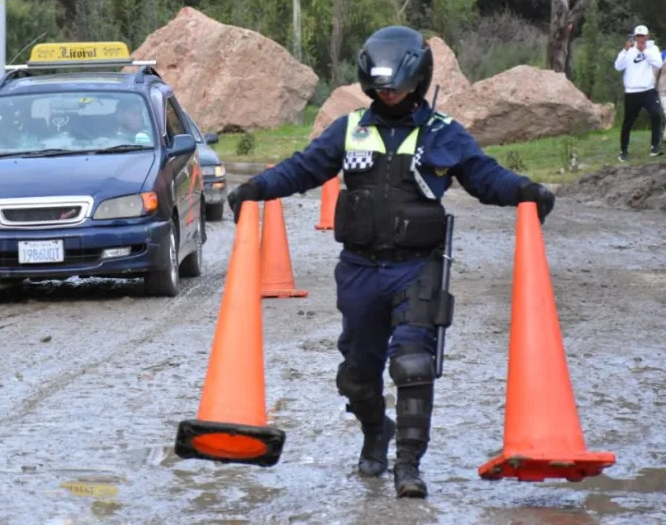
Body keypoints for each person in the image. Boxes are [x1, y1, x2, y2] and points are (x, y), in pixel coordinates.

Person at [226, 26, 555, 499]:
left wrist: (525, 192)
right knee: (357, 376)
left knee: (413, 363)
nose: (389, 92)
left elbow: (485, 176)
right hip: (358, 270)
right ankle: (375, 431)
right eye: (381, 86)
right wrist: (257, 188)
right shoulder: (351, 128)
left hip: (416, 268)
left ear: (418, 79)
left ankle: (408, 464)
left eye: (397, 85)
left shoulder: (442, 133)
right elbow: (304, 166)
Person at [614, 24, 663, 160]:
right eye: (638, 36)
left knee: (656, 114)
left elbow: (658, 63)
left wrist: (645, 51)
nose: (641, 39)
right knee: (628, 121)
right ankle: (623, 151)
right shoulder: (629, 50)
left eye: (643, 36)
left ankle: (655, 147)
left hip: (648, 90)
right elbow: (618, 67)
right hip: (632, 91)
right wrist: (624, 50)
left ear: (647, 37)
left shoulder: (652, 49)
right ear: (635, 37)